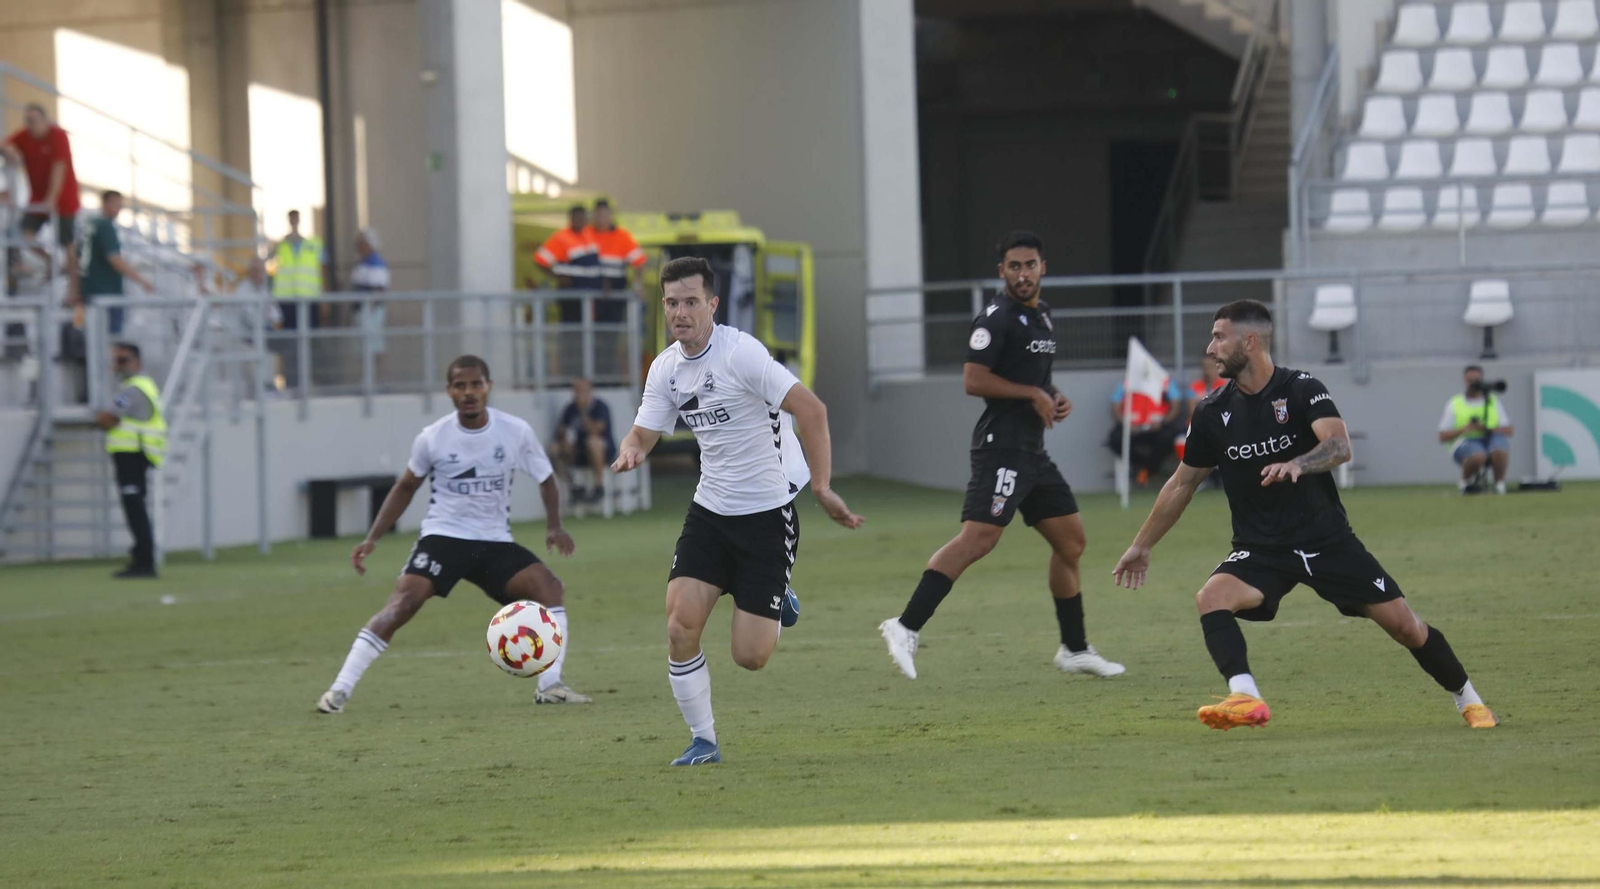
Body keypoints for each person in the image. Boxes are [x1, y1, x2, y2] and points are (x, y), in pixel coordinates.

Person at [1111, 299, 1496, 731]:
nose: (1211, 347)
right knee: (1211, 598)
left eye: (1219, 337)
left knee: (1406, 627)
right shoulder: (1211, 411)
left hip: (1327, 541)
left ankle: (1469, 700)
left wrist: (1299, 464)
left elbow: (1338, 445)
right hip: (1261, 549)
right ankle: (1246, 696)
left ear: (1250, 341)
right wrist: (1141, 545)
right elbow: (1182, 483)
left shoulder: (1300, 389)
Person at [611, 256, 863, 766]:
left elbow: (812, 410)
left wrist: (822, 486)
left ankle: (777, 592)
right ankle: (703, 740)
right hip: (710, 510)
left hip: (768, 515)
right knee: (680, 626)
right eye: (672, 303)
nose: (680, 312)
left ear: (713, 304)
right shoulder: (665, 368)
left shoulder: (741, 354)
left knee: (750, 658)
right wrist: (633, 448)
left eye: (691, 302)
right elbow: (643, 430)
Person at [878, 231, 1124, 681]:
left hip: (1033, 451)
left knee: (1071, 542)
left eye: (1030, 265)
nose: (1023, 274)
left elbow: (1034, 377)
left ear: (1043, 267)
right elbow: (974, 379)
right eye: (1014, 266)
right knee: (979, 539)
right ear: (1002, 272)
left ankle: (1073, 649)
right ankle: (905, 625)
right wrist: (1032, 392)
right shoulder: (996, 318)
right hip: (1002, 448)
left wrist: (1052, 395)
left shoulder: (1044, 316)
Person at [316, 355, 590, 714]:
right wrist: (373, 537)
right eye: (460, 386)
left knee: (550, 589)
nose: (469, 392)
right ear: (449, 391)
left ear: (488, 386)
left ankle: (550, 685)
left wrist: (554, 525)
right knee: (401, 605)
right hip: (443, 539)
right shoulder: (433, 437)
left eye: (476, 384)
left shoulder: (515, 431)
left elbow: (545, 479)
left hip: (494, 543)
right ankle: (339, 690)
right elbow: (405, 487)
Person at [94, 342, 165, 579]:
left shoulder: (132, 390)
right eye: (116, 361)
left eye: (123, 360)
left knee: (135, 509)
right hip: (135, 454)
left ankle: (144, 562)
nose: (118, 366)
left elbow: (108, 418)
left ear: (137, 362)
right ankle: (142, 558)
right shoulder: (139, 386)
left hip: (132, 454)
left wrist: (98, 417)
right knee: (135, 508)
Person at [3, 103, 81, 304]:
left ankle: (73, 290)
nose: (30, 125)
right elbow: (5, 144)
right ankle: (51, 261)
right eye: (27, 121)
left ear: (45, 120)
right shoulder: (24, 136)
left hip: (63, 200)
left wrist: (52, 198)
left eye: (34, 121)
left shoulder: (57, 136)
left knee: (68, 244)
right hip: (37, 200)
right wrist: (9, 150)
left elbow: (59, 167)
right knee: (23, 235)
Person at [80, 190, 154, 336]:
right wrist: (141, 280)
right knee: (112, 340)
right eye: (116, 204)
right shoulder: (106, 226)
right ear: (105, 204)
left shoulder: (89, 225)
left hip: (88, 291)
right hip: (107, 292)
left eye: (120, 205)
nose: (119, 209)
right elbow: (114, 259)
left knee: (91, 338)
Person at [272, 210, 327, 389]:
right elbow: (271, 270)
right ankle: (291, 381)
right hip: (287, 303)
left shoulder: (312, 244)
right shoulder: (281, 245)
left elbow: (323, 270)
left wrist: (324, 298)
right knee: (289, 345)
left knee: (308, 343)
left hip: (308, 301)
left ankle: (308, 380)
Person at [1439, 365, 1513, 495]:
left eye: (1476, 380)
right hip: (1464, 441)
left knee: (1499, 448)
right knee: (1478, 455)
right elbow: (1442, 436)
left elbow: (1508, 430)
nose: (1473, 384)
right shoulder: (1455, 403)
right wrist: (1465, 429)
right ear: (1464, 381)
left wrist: (1487, 429)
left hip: (1490, 438)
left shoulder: (1493, 401)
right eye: (1469, 380)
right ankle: (1465, 482)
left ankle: (1499, 484)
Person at [1107, 372, 1183, 486]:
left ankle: (1148, 470)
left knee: (1168, 437)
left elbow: (1175, 406)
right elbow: (1115, 407)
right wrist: (1127, 424)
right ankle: (1146, 466)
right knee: (1115, 439)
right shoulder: (1126, 383)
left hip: (1157, 428)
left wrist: (1162, 422)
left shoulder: (1165, 382)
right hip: (1133, 428)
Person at [532, 204, 600, 323]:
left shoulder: (590, 235)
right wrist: (558, 277)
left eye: (583, 218)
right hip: (570, 291)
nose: (580, 221)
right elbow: (539, 260)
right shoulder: (561, 238)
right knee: (571, 327)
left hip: (589, 290)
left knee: (588, 328)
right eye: (577, 218)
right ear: (571, 219)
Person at [552, 378, 615, 503]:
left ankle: (599, 486)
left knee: (593, 442)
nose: (578, 394)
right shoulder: (570, 409)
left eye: (581, 390)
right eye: (576, 390)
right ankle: (574, 486)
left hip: (602, 452)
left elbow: (597, 429)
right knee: (553, 449)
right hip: (579, 450)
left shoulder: (600, 407)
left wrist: (583, 412)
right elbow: (561, 430)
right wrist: (565, 440)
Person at [590, 199, 647, 323]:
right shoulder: (587, 234)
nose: (601, 219)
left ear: (611, 216)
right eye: (598, 215)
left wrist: (638, 285)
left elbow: (639, 262)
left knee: (612, 327)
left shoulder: (621, 236)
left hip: (615, 292)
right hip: (591, 293)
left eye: (604, 215)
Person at [350, 227, 390, 362]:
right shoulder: (362, 262)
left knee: (374, 346)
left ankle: (377, 379)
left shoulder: (375, 263)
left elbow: (378, 289)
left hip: (370, 311)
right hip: (362, 310)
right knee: (365, 346)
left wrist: (371, 308)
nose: (358, 246)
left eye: (362, 243)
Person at [1186, 358, 1226, 422]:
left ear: (1217, 368)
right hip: (1198, 423)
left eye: (1210, 368)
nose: (1207, 372)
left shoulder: (1224, 386)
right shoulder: (1194, 387)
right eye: (1205, 368)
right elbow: (1192, 410)